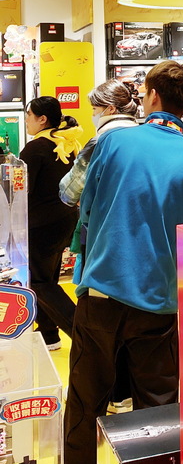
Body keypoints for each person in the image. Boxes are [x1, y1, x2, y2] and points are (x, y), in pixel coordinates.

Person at [64, 61, 183, 464]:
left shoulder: (113, 142)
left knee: (86, 398)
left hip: (103, 296)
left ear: (150, 95)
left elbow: (84, 207)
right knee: (159, 404)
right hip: (160, 304)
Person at [59, 79, 141, 282]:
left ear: (111, 108)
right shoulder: (147, 136)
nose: (93, 115)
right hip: (142, 229)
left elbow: (68, 193)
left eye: (95, 109)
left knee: (98, 297)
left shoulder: (100, 142)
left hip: (103, 233)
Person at [20, 97, 83, 350]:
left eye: (29, 115)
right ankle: (49, 335)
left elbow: (24, 189)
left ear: (42, 119)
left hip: (41, 226)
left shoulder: (35, 149)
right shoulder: (66, 143)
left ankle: (81, 332)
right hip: (64, 221)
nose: (26, 120)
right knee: (47, 279)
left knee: (39, 283)